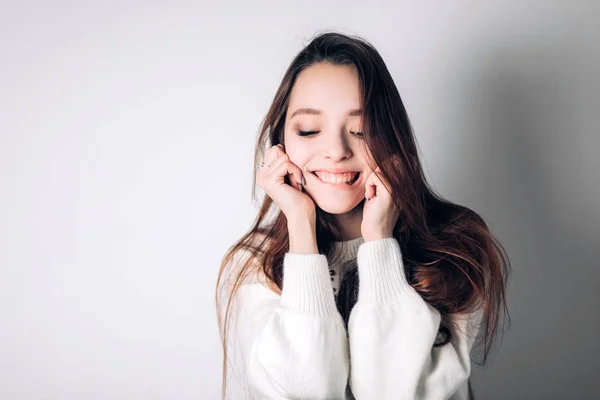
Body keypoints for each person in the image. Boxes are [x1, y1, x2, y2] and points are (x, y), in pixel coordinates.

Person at [215, 31, 511, 400]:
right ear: (281, 141)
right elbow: (307, 393)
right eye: (309, 130)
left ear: (391, 135)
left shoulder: (455, 247)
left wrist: (379, 243)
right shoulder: (254, 266)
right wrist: (301, 230)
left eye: (360, 129)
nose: (336, 150)